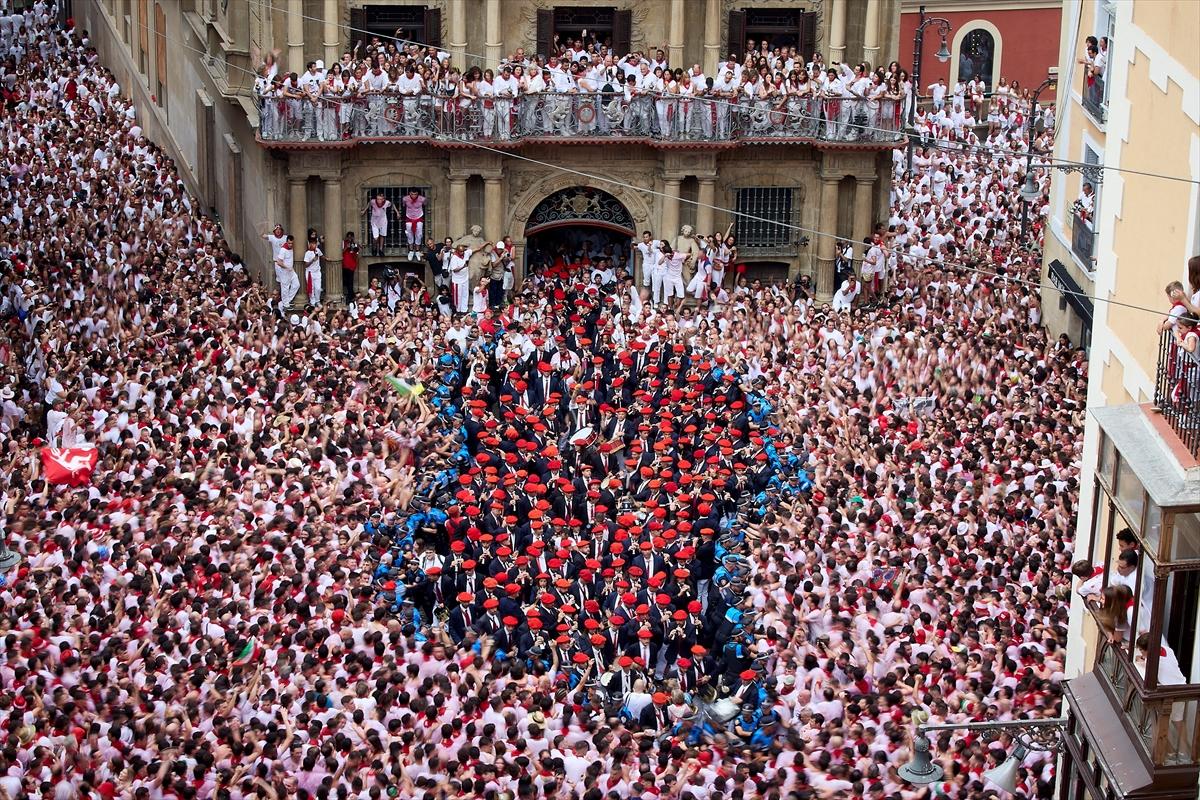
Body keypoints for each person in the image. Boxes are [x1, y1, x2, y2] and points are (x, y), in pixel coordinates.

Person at [364, 190, 396, 256]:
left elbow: (392, 204)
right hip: (374, 222)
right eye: (377, 199)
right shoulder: (373, 201)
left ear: (383, 199)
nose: (378, 200)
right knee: (376, 237)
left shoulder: (386, 203)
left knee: (382, 235)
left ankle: (381, 250)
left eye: (380, 199)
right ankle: (374, 248)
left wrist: (397, 213)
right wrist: (364, 210)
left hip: (383, 221)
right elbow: (369, 203)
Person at [402, 188, 427, 260]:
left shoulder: (422, 199)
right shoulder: (405, 199)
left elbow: (425, 204)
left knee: (419, 234)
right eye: (412, 194)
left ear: (418, 194)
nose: (413, 196)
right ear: (409, 193)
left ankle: (417, 251)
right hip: (409, 218)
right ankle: (411, 251)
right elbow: (404, 206)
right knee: (409, 234)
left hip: (418, 217)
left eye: (415, 194)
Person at [342, 230, 359, 300]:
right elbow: (339, 252)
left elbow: (356, 256)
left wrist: (355, 250)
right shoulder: (343, 243)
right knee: (345, 281)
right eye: (348, 237)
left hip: (351, 266)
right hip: (344, 265)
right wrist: (346, 247)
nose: (349, 239)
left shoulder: (354, 244)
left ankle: (350, 295)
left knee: (350, 282)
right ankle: (351, 294)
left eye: (351, 237)